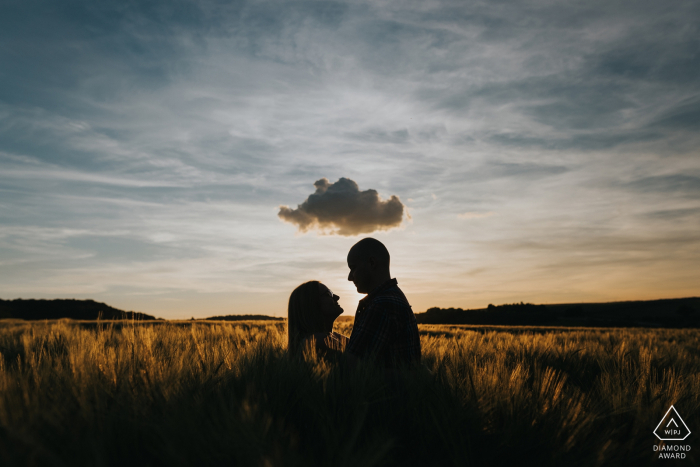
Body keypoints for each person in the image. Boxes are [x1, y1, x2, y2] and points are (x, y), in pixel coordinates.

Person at [345, 238, 421, 368]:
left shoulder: (382, 305)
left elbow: (351, 367)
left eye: (353, 268)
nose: (349, 277)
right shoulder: (391, 297)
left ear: (372, 263)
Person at [287, 280, 349, 355]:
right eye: (328, 294)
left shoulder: (334, 336)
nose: (337, 297)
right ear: (312, 305)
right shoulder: (318, 340)